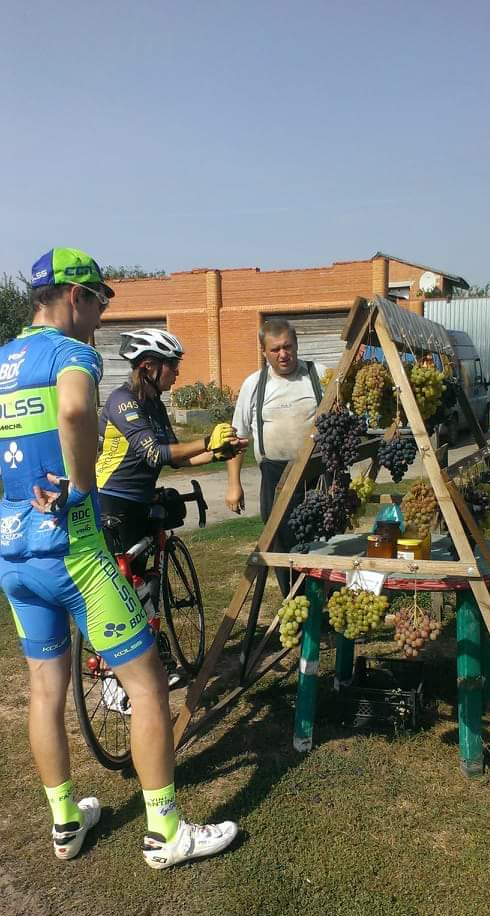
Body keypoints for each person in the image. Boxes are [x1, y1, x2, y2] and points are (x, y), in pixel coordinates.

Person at [0, 247, 238, 869]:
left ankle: (64, 822)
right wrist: (80, 484)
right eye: (100, 302)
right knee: (148, 684)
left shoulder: (3, 360)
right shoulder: (71, 353)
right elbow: (76, 408)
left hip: (13, 553)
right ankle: (165, 832)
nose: (101, 316)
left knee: (45, 690)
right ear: (74, 296)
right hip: (72, 550)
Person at [96, 327, 246, 570]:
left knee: (140, 577)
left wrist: (217, 454)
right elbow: (155, 454)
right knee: (120, 580)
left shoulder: (155, 405)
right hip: (112, 500)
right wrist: (208, 441)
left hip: (141, 500)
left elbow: (175, 456)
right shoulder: (122, 400)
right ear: (148, 366)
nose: (177, 372)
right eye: (173, 364)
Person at [225, 318, 326, 594]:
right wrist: (234, 484)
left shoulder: (318, 375)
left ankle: (323, 605)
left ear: (296, 345)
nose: (283, 354)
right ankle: (293, 601)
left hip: (317, 476)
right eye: (275, 349)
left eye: (288, 346)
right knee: (282, 547)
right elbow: (236, 437)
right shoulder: (254, 384)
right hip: (275, 477)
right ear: (264, 351)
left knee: (324, 543)